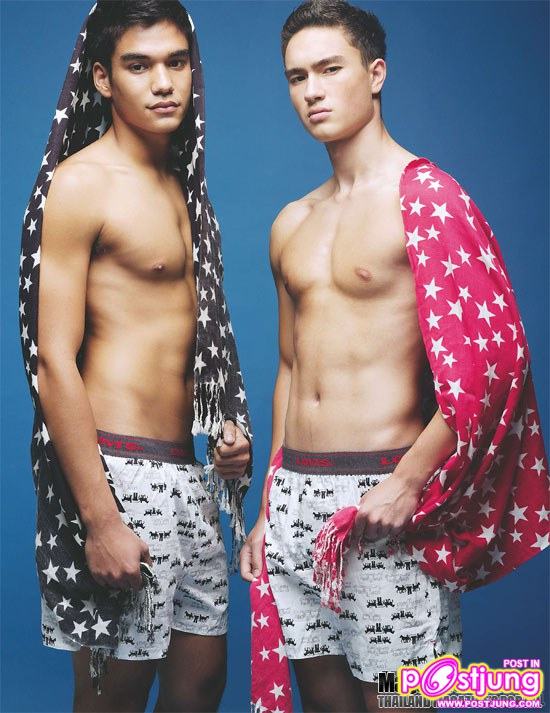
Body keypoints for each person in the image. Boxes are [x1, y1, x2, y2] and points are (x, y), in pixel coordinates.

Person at [241, 2, 549, 713]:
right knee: (326, 701)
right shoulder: (291, 221)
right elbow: (291, 368)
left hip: (382, 495)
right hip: (296, 499)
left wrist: (408, 482)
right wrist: (268, 504)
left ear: (375, 74)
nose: (312, 91)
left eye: (329, 69)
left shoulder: (429, 198)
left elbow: (496, 362)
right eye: (297, 77)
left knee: (401, 702)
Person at [19, 2, 252, 711]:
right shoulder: (83, 182)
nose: (163, 82)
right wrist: (100, 518)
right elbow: (52, 360)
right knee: (112, 697)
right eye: (139, 65)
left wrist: (225, 432)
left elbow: (190, 337)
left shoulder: (185, 186)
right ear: (102, 79)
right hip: (116, 471)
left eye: (177, 62)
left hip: (186, 471)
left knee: (202, 682)